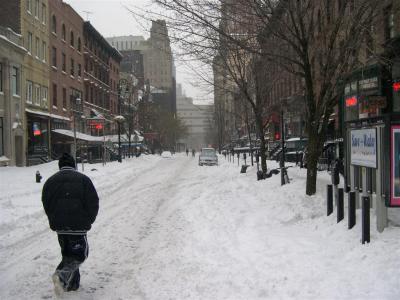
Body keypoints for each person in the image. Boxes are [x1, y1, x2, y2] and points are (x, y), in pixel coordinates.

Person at [41, 153, 99, 295]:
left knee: (67, 254)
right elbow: (93, 203)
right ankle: (61, 276)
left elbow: (46, 203)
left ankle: (72, 284)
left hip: (60, 227)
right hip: (78, 226)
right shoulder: (84, 180)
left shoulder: (50, 181)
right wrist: (87, 220)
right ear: (74, 164)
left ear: (60, 165)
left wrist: (54, 219)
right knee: (80, 255)